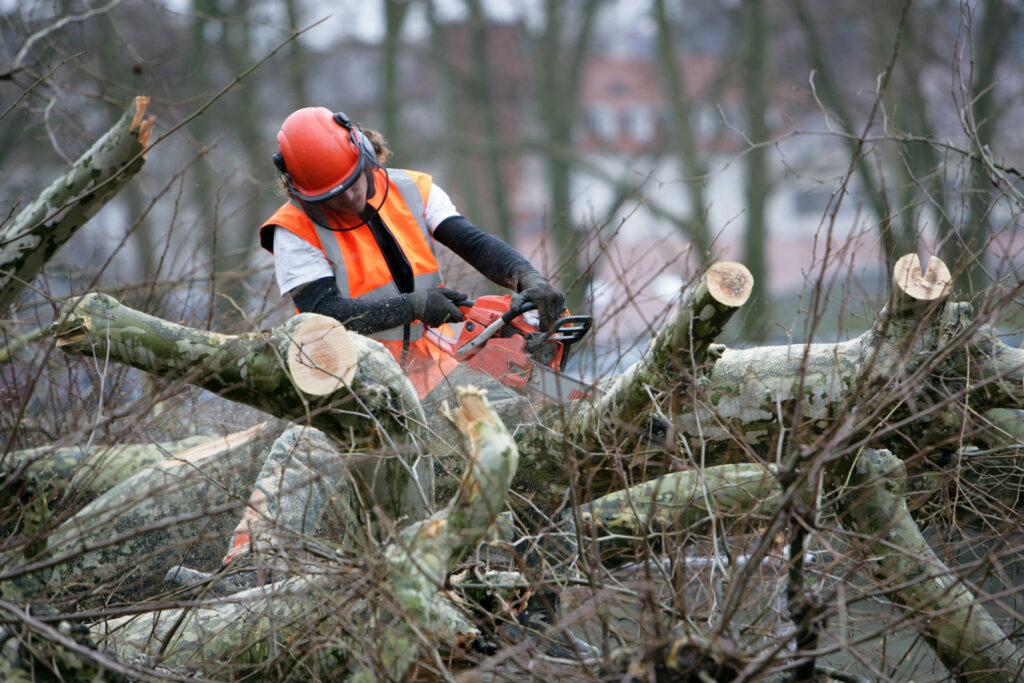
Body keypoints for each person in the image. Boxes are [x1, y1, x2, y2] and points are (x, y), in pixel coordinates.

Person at [260, 106, 566, 399]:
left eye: (352, 181)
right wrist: (413, 306)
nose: (350, 196)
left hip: (434, 370)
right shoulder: (292, 230)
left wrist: (527, 277)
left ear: (364, 152)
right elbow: (324, 314)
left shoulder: (412, 189)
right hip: (352, 384)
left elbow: (473, 242)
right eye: (335, 195)